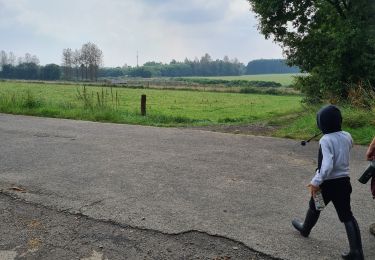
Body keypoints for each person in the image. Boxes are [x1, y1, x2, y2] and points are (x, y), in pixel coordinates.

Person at [292, 105, 364, 260]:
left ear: (321, 124)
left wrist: (316, 182)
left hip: (326, 184)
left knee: (315, 207)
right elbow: (348, 146)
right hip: (344, 182)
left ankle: (305, 229)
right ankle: (356, 251)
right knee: (347, 216)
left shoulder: (325, 140)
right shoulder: (347, 135)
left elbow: (327, 165)